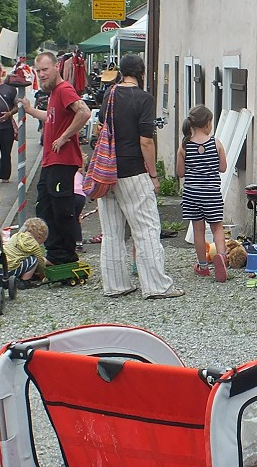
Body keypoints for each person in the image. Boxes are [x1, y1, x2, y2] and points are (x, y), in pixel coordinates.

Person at [95, 54, 183, 299]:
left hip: (107, 171)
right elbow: (145, 141)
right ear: (142, 72)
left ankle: (115, 285)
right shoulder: (144, 99)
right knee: (146, 229)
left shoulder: (109, 95)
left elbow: (102, 125)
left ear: (122, 71)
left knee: (112, 231)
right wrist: (154, 175)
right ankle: (156, 285)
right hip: (133, 171)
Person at [25, 51, 90, 266]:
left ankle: (66, 256)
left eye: (45, 70)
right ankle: (54, 252)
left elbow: (84, 112)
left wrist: (64, 137)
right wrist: (30, 110)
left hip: (63, 160)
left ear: (56, 68)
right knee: (44, 207)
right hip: (50, 160)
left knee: (61, 210)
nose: (41, 74)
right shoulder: (53, 93)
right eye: (38, 71)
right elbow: (51, 117)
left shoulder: (64, 89)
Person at [176, 105, 228, 281]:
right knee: (217, 227)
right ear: (207, 123)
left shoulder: (184, 146)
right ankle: (221, 258)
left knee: (198, 230)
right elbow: (223, 168)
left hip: (192, 193)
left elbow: (180, 172)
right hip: (212, 192)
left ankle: (203, 266)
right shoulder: (216, 143)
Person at [2, 217, 48, 289]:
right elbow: (40, 262)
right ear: (39, 237)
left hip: (0, 268)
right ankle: (24, 281)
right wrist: (43, 275)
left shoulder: (16, 236)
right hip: (11, 270)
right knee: (34, 260)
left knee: (18, 257)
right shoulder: (34, 244)